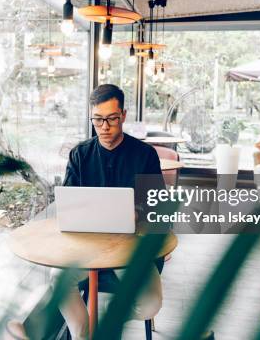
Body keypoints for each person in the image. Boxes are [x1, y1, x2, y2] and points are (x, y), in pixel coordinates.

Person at [54, 84, 165, 340]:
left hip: (130, 250)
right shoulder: (80, 155)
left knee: (150, 304)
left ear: (123, 116)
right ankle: (83, 335)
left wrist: (138, 213)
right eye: (98, 119)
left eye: (112, 119)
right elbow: (68, 203)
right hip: (85, 249)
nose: (104, 126)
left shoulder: (145, 155)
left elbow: (159, 206)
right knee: (55, 279)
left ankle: (104, 321)